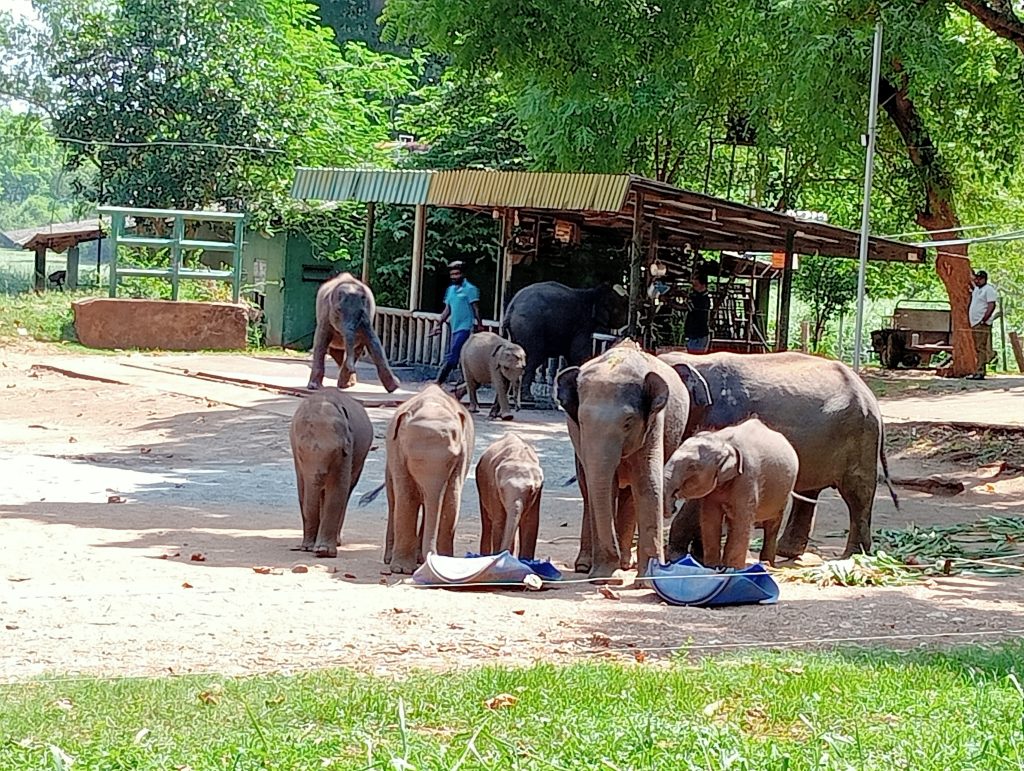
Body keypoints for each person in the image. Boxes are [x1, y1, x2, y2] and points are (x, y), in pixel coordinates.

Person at [431, 260, 483, 386]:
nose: (454, 277)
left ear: (463, 274)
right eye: (452, 274)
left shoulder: (470, 289)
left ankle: (439, 380)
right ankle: (464, 381)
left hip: (466, 327)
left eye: (457, 274)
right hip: (454, 326)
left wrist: (480, 324)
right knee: (460, 355)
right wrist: (439, 324)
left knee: (453, 354)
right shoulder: (450, 290)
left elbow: (476, 308)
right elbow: (447, 309)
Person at [967, 269, 998, 380]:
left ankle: (980, 371)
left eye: (980, 279)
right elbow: (970, 280)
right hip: (974, 323)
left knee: (981, 348)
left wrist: (984, 319)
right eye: (976, 278)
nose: (977, 280)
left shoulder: (988, 290)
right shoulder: (976, 290)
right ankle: (977, 370)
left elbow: (991, 305)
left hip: (982, 323)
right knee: (977, 347)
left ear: (985, 279)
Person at [684, 272, 711, 353]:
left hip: (700, 334)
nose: (693, 287)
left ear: (703, 285)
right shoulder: (695, 296)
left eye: (696, 285)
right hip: (692, 333)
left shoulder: (704, 299)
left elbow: (688, 307)